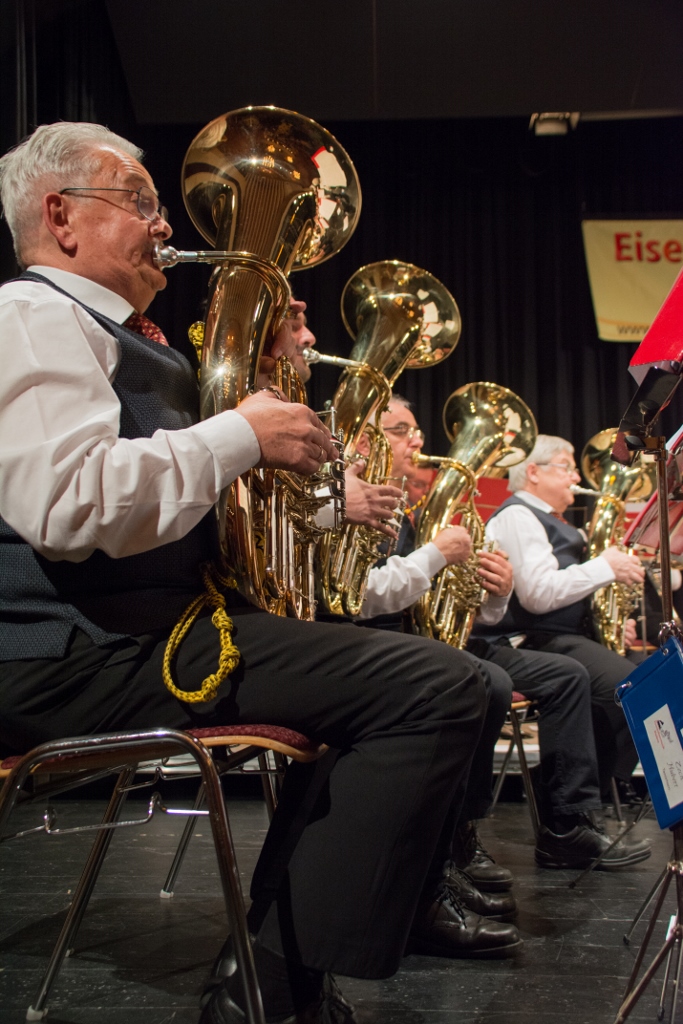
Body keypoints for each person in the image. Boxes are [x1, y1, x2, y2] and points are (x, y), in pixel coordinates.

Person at [0, 122, 491, 1024]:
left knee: (430, 679)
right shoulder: (31, 316)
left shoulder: (127, 337)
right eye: (139, 201)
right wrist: (239, 435)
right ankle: (271, 990)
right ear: (60, 216)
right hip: (69, 657)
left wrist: (304, 487)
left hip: (143, 635)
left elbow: (194, 504)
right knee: (436, 687)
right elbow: (67, 507)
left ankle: (273, 968)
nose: (163, 224)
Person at [359, 398, 650, 871]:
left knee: (581, 676)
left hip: (458, 637)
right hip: (438, 640)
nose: (418, 441)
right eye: (400, 431)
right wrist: (439, 555)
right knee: (496, 682)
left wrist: (497, 591)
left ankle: (568, 818)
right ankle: (469, 832)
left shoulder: (414, 511)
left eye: (416, 431)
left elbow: (486, 611)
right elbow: (536, 600)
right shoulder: (512, 515)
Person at [475, 434, 647, 803]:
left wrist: (610, 625)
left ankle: (575, 786)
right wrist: (605, 566)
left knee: (657, 676)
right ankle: (566, 796)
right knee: (631, 687)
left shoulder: (555, 521)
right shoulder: (519, 516)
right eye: (566, 468)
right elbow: (538, 596)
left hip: (565, 638)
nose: (577, 478)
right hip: (530, 639)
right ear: (533, 472)